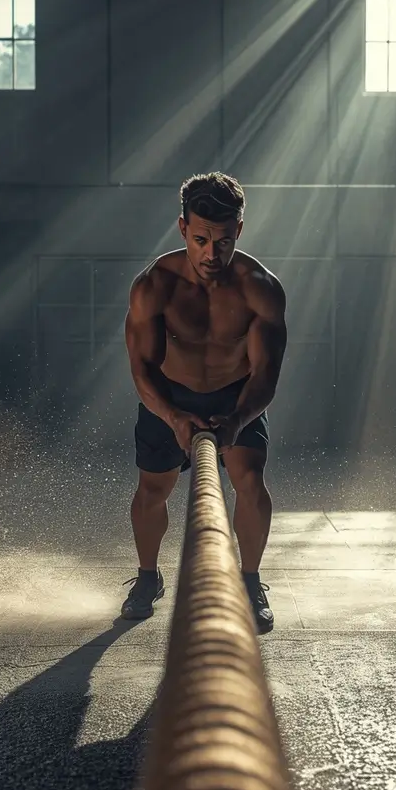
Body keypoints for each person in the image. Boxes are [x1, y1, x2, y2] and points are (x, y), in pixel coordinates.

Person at [121, 171, 287, 633]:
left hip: (237, 396)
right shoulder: (154, 286)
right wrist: (172, 415)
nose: (211, 254)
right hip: (169, 393)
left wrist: (236, 419)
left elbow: (266, 376)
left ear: (239, 230)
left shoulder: (261, 289)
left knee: (249, 482)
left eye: (223, 242)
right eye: (200, 240)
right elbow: (142, 370)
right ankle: (148, 577)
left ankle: (250, 582)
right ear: (182, 229)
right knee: (153, 490)